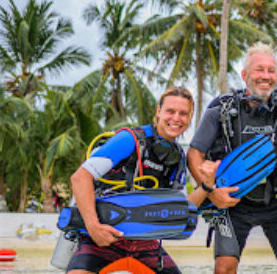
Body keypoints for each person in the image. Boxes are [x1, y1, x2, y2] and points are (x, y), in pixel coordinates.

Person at [187, 42, 277, 274]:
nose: (266, 76)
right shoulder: (221, 109)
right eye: (259, 69)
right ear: (245, 75)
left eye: (271, 70)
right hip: (232, 203)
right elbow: (194, 153)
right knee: (224, 269)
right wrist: (212, 193)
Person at [66, 86, 221, 274]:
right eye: (170, 111)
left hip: (145, 244)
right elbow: (80, 177)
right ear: (159, 111)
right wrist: (94, 228)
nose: (176, 118)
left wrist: (206, 185)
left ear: (189, 118)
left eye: (183, 113)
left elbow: (181, 207)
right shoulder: (129, 139)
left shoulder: (178, 157)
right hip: (103, 237)